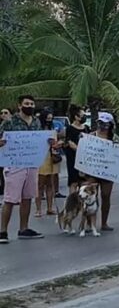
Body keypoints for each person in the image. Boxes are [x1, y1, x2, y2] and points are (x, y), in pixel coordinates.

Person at [0, 95, 52, 243]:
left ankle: (24, 229)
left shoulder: (36, 122)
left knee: (27, 197)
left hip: (32, 163)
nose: (29, 106)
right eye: (26, 103)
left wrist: (50, 142)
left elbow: (40, 140)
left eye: (31, 103)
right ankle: (2, 231)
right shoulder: (10, 122)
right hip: (15, 163)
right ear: (19, 105)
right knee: (10, 199)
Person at [88, 112, 119, 231]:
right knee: (91, 196)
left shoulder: (115, 138)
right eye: (100, 123)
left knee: (106, 195)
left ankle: (104, 222)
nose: (103, 126)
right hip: (92, 170)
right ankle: (90, 223)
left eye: (106, 124)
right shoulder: (91, 136)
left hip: (108, 171)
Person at [35, 110, 63, 217]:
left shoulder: (53, 129)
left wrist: (57, 144)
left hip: (52, 157)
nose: (49, 121)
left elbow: (59, 140)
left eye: (51, 119)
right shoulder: (37, 129)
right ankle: (38, 209)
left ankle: (50, 207)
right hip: (41, 158)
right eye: (47, 119)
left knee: (50, 184)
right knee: (40, 185)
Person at [64, 105, 90, 193]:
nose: (84, 117)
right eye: (83, 115)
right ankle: (73, 203)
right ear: (76, 117)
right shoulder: (70, 129)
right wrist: (80, 150)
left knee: (84, 182)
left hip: (84, 159)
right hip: (73, 158)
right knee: (74, 182)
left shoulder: (86, 128)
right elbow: (70, 143)